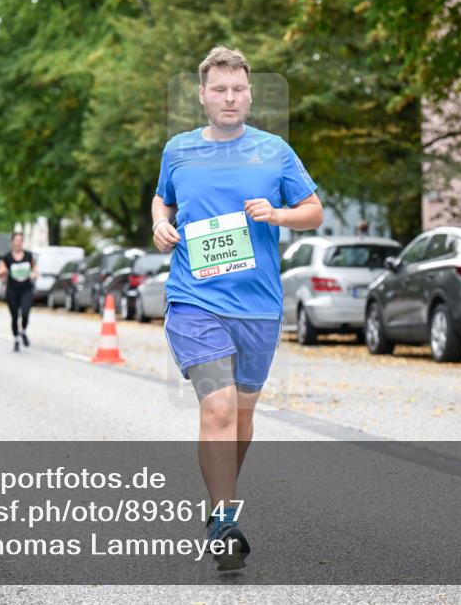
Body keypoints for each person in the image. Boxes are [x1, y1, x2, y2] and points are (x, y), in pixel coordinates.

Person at [152, 46, 323, 570]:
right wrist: (160, 223)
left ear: (250, 95)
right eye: (219, 89)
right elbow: (163, 199)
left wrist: (278, 214)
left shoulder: (274, 151)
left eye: (238, 89)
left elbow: (313, 211)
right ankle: (226, 519)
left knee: (242, 418)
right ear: (202, 96)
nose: (229, 98)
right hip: (194, 300)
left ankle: (218, 505)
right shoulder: (178, 150)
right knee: (219, 408)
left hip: (258, 306)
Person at [0, 232, 36, 351]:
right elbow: (0, 271)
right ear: (12, 242)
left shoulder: (28, 256)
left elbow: (35, 268)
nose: (18, 243)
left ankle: (23, 331)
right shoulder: (7, 257)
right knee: (14, 316)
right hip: (12, 291)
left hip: (26, 289)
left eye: (20, 240)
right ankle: (16, 339)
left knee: (25, 313)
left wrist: (34, 274)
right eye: (16, 240)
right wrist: (2, 272)